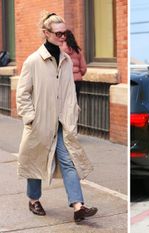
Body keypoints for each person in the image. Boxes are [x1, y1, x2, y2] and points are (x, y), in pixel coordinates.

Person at [16, 12, 98, 223]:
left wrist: (73, 114)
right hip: (40, 122)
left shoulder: (67, 60)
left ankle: (78, 206)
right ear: (46, 33)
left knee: (68, 160)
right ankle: (34, 199)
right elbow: (22, 93)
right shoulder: (33, 61)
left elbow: (70, 92)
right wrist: (31, 118)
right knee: (36, 161)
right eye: (59, 33)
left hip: (61, 122)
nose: (63, 37)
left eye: (65, 32)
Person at [61, 30, 87, 98]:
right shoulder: (77, 50)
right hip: (77, 80)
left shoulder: (60, 50)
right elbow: (83, 68)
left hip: (65, 80)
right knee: (75, 102)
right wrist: (77, 74)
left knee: (65, 102)